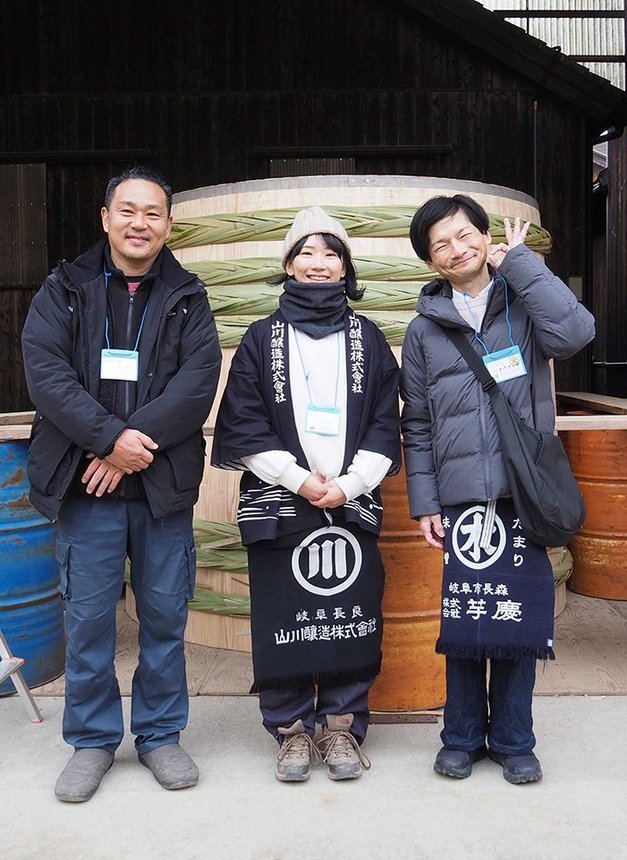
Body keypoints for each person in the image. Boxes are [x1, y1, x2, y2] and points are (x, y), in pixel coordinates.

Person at [21, 166, 222, 802]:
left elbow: (198, 382)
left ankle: (161, 735)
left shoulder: (188, 293)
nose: (140, 223)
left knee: (165, 615)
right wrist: (108, 441)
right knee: (88, 620)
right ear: (106, 217)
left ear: (168, 224)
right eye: (128, 211)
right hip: (89, 487)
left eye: (153, 213)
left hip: (159, 487)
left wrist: (130, 448)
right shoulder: (66, 287)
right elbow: (46, 372)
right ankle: (92, 740)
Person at [401, 194, 594, 785]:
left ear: (484, 237)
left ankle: (514, 739)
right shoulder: (424, 329)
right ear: (431, 261)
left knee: (520, 619)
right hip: (461, 498)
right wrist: (426, 501)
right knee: (467, 621)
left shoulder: (522, 300)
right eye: (441, 244)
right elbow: (418, 422)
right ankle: (460, 736)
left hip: (523, 491)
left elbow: (575, 334)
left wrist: (526, 266)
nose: (456, 249)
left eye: (464, 235)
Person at [212, 206, 400, 782]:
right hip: (282, 498)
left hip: (351, 498)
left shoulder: (367, 337)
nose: (318, 264)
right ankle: (291, 731)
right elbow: (243, 421)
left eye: (330, 253)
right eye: (306, 253)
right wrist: (299, 480)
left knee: (349, 614)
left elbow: (384, 422)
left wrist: (346, 485)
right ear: (288, 266)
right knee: (285, 617)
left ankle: (342, 728)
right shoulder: (260, 338)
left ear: (346, 267)